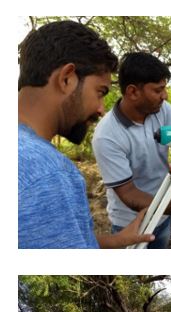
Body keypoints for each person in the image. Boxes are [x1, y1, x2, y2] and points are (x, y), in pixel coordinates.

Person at [18, 20, 153, 249]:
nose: (101, 109)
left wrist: (115, 241)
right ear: (67, 78)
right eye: (100, 92)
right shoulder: (49, 174)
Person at [92, 52, 171, 249]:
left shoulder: (163, 110)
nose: (165, 96)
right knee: (131, 279)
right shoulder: (107, 135)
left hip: (163, 217)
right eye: (158, 90)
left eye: (164, 88)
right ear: (133, 92)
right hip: (131, 225)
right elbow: (129, 193)